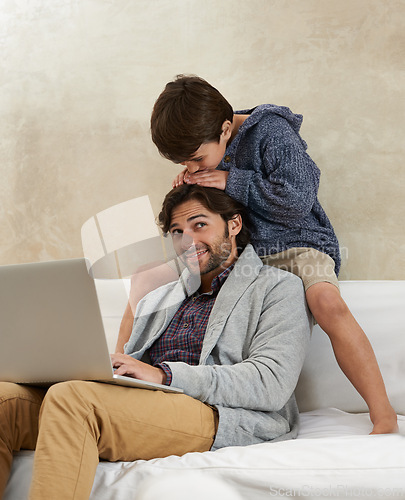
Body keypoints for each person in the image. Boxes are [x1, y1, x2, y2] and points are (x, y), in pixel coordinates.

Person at [125, 74, 397, 435]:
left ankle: (383, 415)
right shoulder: (210, 144)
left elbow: (298, 201)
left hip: (296, 243)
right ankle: (119, 371)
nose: (193, 168)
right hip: (246, 256)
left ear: (225, 130)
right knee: (144, 276)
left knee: (326, 302)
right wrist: (193, 183)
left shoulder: (272, 133)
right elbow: (216, 214)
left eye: (194, 160)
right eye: (184, 163)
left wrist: (229, 179)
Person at [0, 185, 311, 499]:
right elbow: (132, 363)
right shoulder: (161, 297)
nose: (186, 240)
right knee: (4, 400)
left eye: (199, 224)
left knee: (74, 399)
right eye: (177, 231)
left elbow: (271, 384)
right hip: (148, 402)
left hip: (217, 413)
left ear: (234, 224)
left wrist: (165, 375)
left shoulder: (277, 288)